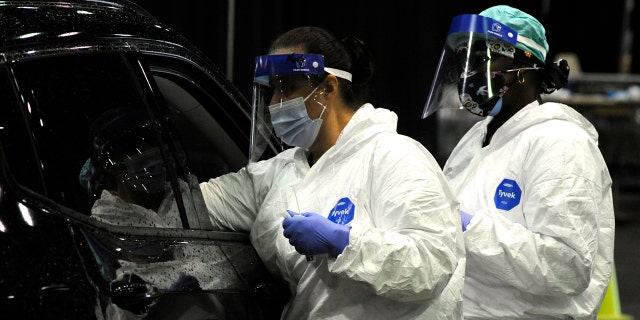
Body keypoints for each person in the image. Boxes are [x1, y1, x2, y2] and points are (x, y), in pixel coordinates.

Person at [200, 26, 465, 319]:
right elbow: (194, 206)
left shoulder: (395, 156)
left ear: (328, 87)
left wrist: (344, 243)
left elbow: (431, 265)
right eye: (272, 90)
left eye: (286, 87)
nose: (275, 103)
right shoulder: (277, 173)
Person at [422, 5, 615, 319]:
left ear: (526, 67)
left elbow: (566, 266)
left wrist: (468, 228)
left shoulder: (562, 144)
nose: (469, 72)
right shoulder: (476, 139)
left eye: (483, 60)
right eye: (465, 60)